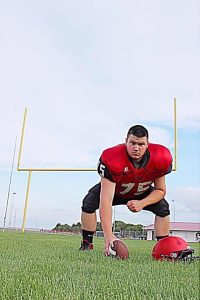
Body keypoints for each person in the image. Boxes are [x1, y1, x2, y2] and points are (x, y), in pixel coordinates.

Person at [79, 125, 173, 255]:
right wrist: (109, 235)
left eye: (141, 144)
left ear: (147, 144)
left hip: (142, 191)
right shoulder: (112, 157)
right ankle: (86, 244)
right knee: (89, 202)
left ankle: (164, 248)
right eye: (132, 143)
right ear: (126, 142)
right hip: (116, 190)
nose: (136, 148)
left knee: (163, 207)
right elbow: (106, 199)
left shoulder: (160, 157)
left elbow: (161, 190)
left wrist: (142, 203)